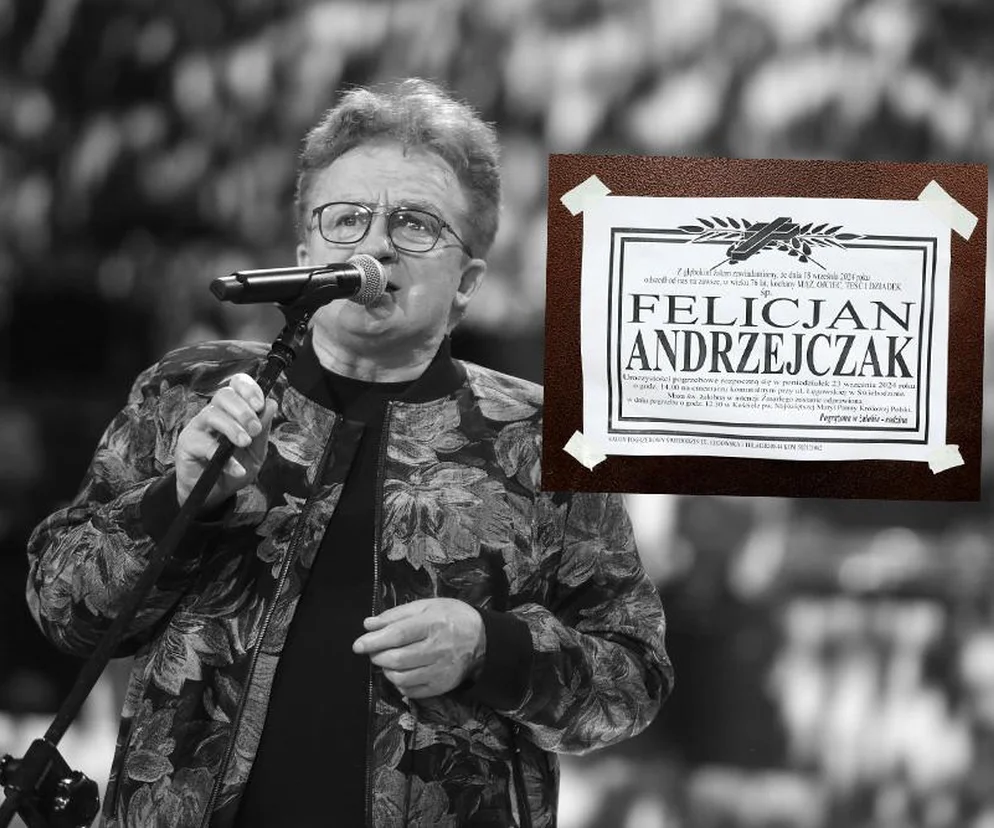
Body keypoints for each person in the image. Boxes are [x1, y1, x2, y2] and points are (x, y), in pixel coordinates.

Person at [26, 78, 672, 828]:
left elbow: (633, 681)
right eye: (347, 218)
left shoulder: (541, 435)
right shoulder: (190, 390)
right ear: (305, 252)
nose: (375, 243)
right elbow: (62, 609)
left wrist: (490, 649)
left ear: (466, 284)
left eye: (415, 223)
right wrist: (178, 500)